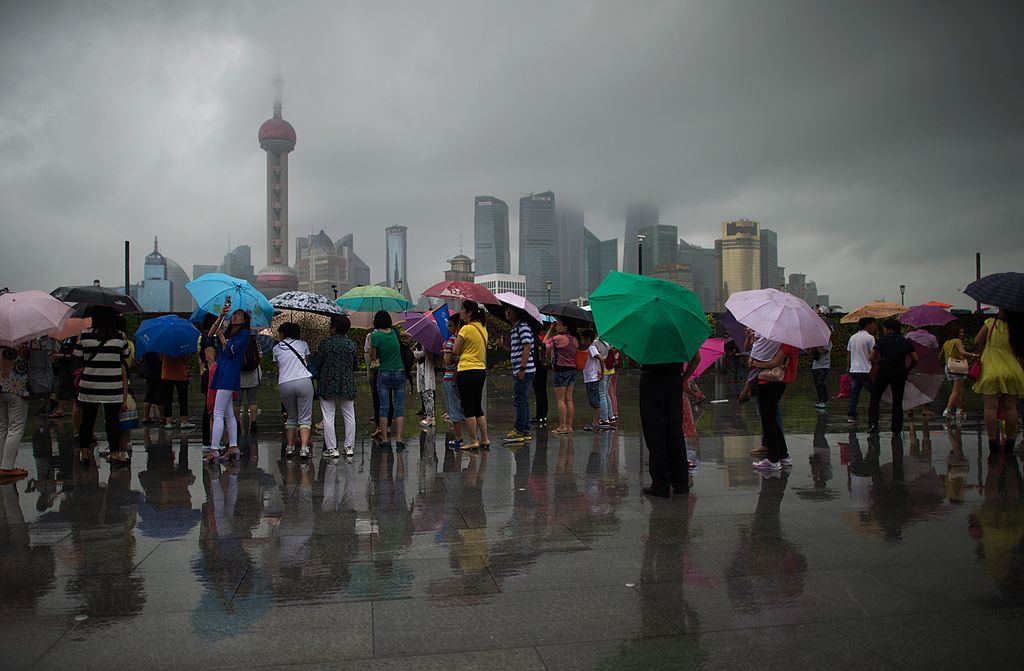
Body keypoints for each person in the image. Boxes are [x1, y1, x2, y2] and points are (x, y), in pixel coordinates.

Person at [73, 307, 131, 465]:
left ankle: (84, 453)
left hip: (89, 386)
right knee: (112, 421)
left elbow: (77, 356)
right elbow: (126, 354)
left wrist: (81, 337)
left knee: (88, 420)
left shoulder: (85, 334)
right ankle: (115, 453)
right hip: (112, 386)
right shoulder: (119, 336)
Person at [639, 351, 700, 497]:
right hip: (674, 381)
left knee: (655, 433)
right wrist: (683, 379)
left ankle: (661, 483)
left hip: (652, 380)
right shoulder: (680, 330)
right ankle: (681, 483)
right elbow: (697, 358)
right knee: (675, 432)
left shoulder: (647, 331)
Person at [972, 309, 1024, 455]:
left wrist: (983, 351)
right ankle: (1011, 440)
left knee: (990, 407)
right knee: (1011, 407)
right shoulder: (1017, 327)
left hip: (991, 369)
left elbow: (977, 341)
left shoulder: (990, 322)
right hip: (1012, 369)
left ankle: (992, 440)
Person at [205, 306, 251, 463]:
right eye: (235, 315)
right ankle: (233, 446)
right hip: (222, 371)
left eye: (240, 315)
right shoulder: (228, 332)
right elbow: (210, 335)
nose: (236, 317)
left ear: (245, 320)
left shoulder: (244, 334)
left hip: (229, 373)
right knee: (228, 413)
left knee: (218, 413)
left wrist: (223, 339)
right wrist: (220, 318)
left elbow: (232, 350)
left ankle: (214, 449)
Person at [748, 338, 801, 471]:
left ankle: (773, 459)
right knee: (772, 421)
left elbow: (775, 362)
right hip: (773, 383)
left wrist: (755, 363)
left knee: (769, 422)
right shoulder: (786, 342)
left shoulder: (787, 343)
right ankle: (783, 456)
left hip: (769, 382)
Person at [313, 314, 358, 458]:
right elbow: (355, 366)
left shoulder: (325, 344)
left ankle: (332, 449)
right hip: (346, 382)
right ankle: (349, 447)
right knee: (349, 415)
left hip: (328, 383)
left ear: (333, 328)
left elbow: (318, 364)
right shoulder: (352, 345)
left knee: (328, 416)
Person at [867, 319, 919, 434]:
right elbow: (915, 359)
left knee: (875, 397)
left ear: (890, 329)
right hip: (900, 372)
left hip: (884, 370)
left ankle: (873, 423)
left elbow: (871, 357)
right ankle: (896, 429)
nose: (883, 330)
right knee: (897, 400)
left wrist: (879, 363)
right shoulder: (906, 342)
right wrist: (908, 369)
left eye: (884, 328)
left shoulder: (882, 341)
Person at [273, 321, 314, 459]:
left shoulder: (276, 348)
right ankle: (304, 448)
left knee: (291, 417)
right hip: (303, 381)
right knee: (305, 418)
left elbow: (278, 369)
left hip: (285, 383)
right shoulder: (303, 344)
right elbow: (307, 362)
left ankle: (289, 448)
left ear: (283, 333)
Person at [453, 300, 489, 450]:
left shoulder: (466, 329)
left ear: (469, 313)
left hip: (466, 370)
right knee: (477, 407)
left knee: (468, 407)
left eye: (462, 310)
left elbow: (455, 350)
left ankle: (473, 440)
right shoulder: (483, 329)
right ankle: (485, 439)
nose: (460, 312)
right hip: (480, 370)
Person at [369, 310, 406, 449]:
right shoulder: (395, 332)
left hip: (384, 373)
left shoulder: (376, 336)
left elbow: (373, 357)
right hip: (399, 371)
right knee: (399, 408)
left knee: (384, 407)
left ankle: (385, 440)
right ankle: (400, 440)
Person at [504, 305, 535, 442]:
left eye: (510, 310)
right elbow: (516, 350)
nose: (507, 312)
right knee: (523, 400)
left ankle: (519, 430)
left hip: (524, 370)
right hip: (520, 369)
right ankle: (525, 429)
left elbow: (527, 347)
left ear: (518, 312)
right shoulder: (516, 328)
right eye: (506, 310)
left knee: (520, 401)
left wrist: (522, 369)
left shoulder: (522, 326)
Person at [0, 343, 30, 480]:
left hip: (0, 387)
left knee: (2, 427)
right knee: (16, 428)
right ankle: (7, 466)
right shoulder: (24, 338)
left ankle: (2, 463)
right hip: (18, 387)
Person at [545, 318, 579, 434]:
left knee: (560, 399)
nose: (557, 327)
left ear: (566, 327)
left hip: (560, 370)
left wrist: (550, 330)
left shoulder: (558, 338)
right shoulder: (574, 340)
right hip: (572, 370)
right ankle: (569, 427)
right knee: (569, 399)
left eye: (559, 325)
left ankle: (562, 426)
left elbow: (544, 345)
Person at [941, 326, 977, 422]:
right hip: (957, 368)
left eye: (962, 332)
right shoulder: (957, 341)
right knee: (956, 391)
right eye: (960, 332)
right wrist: (974, 355)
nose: (962, 334)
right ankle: (947, 410)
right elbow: (962, 352)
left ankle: (959, 410)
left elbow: (940, 356)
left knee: (956, 391)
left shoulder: (946, 342)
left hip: (948, 367)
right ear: (955, 333)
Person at [847, 317, 877, 423]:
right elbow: (873, 354)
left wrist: (848, 367)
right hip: (865, 369)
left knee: (854, 392)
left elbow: (849, 353)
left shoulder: (853, 337)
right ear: (867, 325)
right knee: (874, 393)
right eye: (873, 324)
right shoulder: (870, 338)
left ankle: (852, 414)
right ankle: (873, 413)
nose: (875, 327)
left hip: (854, 369)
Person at [441, 313, 465, 447]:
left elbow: (447, 360)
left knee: (454, 409)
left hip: (450, 377)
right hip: (462, 376)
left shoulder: (451, 340)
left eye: (450, 325)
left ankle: (458, 438)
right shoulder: (465, 340)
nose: (448, 328)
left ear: (457, 327)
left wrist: (445, 351)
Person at [580, 330, 606, 431]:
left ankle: (595, 422)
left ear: (588, 339)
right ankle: (595, 421)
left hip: (592, 379)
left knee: (595, 401)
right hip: (589, 378)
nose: (582, 341)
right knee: (593, 400)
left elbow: (600, 358)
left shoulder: (592, 348)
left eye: (583, 339)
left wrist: (602, 373)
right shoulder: (589, 348)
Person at [160, 352, 193, 431]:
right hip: (181, 373)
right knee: (183, 398)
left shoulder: (163, 345)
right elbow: (186, 358)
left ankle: (168, 421)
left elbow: (161, 359)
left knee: (167, 399)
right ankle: (183, 420)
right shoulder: (182, 345)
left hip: (167, 373)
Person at [237, 331, 262, 434]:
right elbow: (260, 356)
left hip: (238, 374)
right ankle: (253, 422)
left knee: (237, 402)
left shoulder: (236, 339)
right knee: (252, 400)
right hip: (253, 374)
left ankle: (237, 423)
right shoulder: (255, 339)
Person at [413, 341, 437, 428]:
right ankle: (429, 415)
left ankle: (431, 416)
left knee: (428, 393)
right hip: (421, 368)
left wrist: (415, 353)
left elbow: (423, 353)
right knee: (424, 393)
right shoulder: (420, 341)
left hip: (426, 369)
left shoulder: (428, 342)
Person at [530, 323, 549, 424]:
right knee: (542, 392)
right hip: (543, 367)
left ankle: (539, 415)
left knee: (539, 392)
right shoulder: (539, 340)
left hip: (537, 367)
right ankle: (543, 414)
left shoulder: (534, 339)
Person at [811, 328, 833, 410]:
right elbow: (812, 353)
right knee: (816, 384)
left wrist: (817, 345)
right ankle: (820, 400)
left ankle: (825, 399)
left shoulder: (828, 342)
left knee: (821, 382)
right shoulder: (816, 342)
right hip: (815, 365)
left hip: (824, 366)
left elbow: (821, 351)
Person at [141, 351, 163, 424]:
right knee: (159, 394)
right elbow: (160, 358)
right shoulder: (156, 348)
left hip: (148, 371)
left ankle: (146, 416)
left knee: (149, 393)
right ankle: (163, 417)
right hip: (156, 372)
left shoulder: (147, 345)